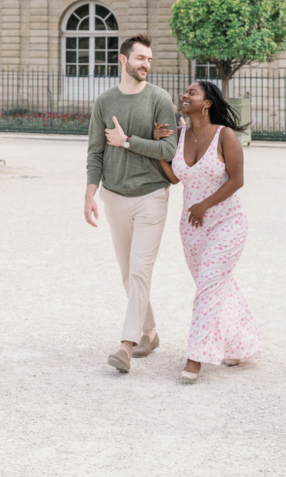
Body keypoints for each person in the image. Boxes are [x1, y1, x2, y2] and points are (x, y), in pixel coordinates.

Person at [84, 34, 177, 374]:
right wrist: (90, 193)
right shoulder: (104, 101)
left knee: (140, 270)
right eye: (140, 58)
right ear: (123, 60)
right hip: (115, 196)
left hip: (152, 194)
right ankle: (150, 333)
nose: (146, 65)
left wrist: (128, 142)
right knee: (127, 273)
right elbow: (95, 150)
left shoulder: (160, 100)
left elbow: (169, 151)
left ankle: (126, 345)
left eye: (149, 59)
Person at [167, 79, 261, 383]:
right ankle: (241, 343)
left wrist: (204, 205)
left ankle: (195, 358)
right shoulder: (180, 135)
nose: (185, 95)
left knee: (208, 287)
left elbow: (237, 180)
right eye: (185, 91)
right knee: (219, 285)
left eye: (192, 92)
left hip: (227, 224)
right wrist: (158, 149)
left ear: (207, 103)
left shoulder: (225, 136)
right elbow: (174, 178)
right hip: (192, 229)